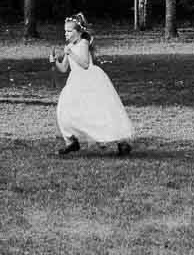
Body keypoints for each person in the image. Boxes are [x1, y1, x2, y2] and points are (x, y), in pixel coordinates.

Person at [50, 12, 134, 157]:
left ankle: (121, 142)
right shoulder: (69, 45)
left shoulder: (83, 43)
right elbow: (64, 68)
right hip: (75, 81)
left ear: (78, 32)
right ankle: (71, 141)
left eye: (69, 31)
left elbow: (85, 64)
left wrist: (70, 53)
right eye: (65, 31)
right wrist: (54, 61)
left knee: (99, 112)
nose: (66, 34)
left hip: (90, 80)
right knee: (64, 108)